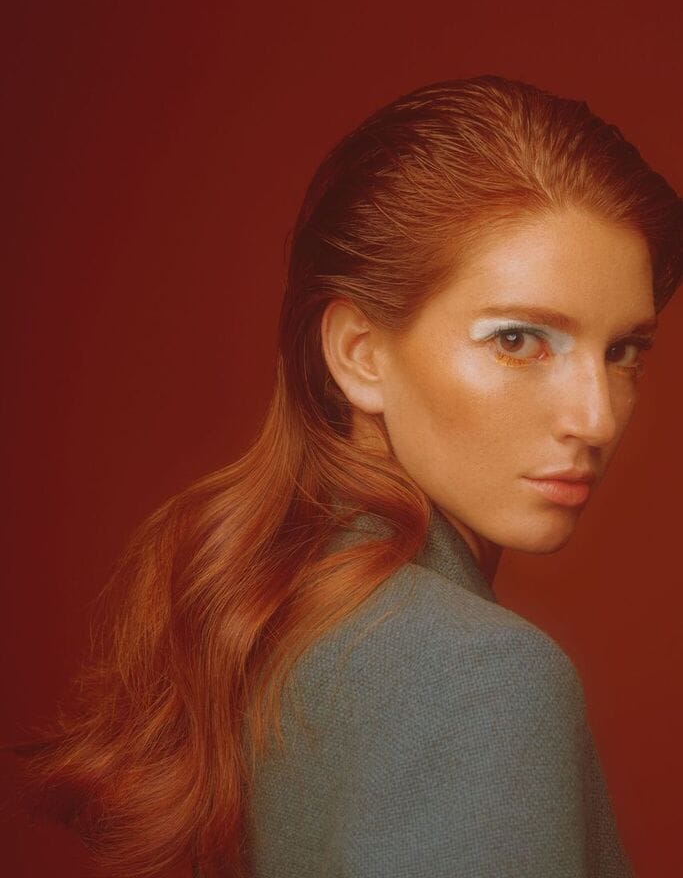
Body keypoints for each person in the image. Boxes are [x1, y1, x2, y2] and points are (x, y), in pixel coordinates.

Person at [6, 76, 682, 878]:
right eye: (516, 341)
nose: (595, 418)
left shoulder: (270, 614)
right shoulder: (480, 676)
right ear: (359, 354)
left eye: (622, 352)